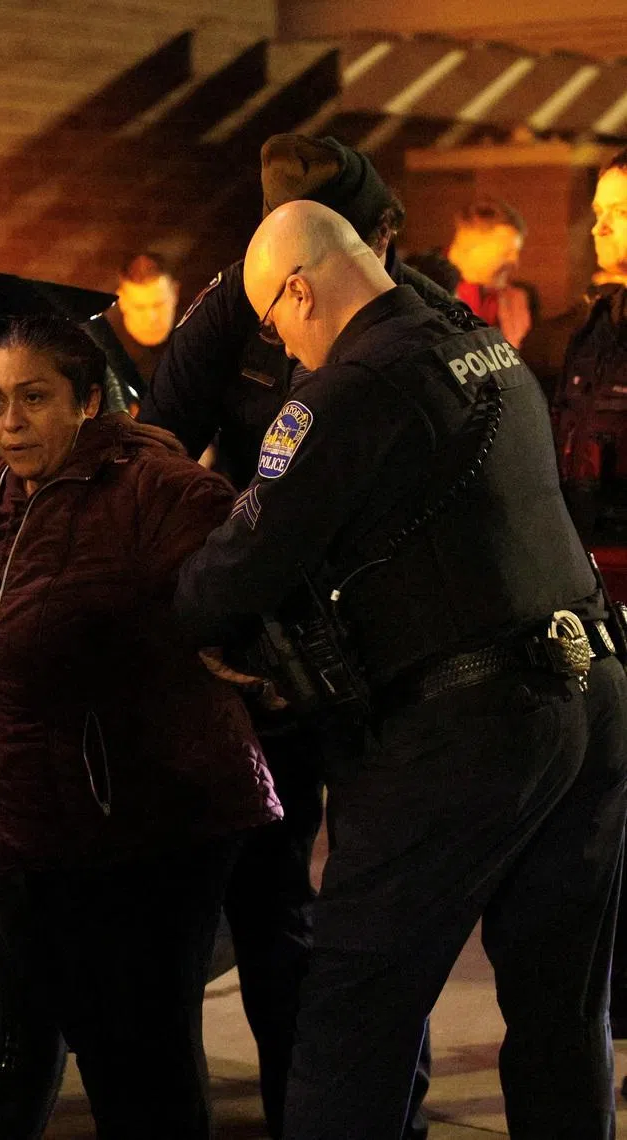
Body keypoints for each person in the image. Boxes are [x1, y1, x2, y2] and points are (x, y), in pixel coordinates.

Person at [175, 199, 627, 1139]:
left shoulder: (348, 392)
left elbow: (232, 576)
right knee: (560, 1017)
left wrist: (171, 599)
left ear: (299, 290)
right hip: (593, 696)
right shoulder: (483, 351)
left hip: (467, 733)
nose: (285, 351)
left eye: (274, 323)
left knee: (352, 1018)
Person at [140, 131, 454, 1139]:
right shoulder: (241, 307)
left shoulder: (420, 326)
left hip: (384, 658)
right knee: (277, 916)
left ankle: (384, 1112)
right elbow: (158, 438)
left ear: (379, 241)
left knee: (381, 916)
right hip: (269, 658)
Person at [0, 315, 281, 1139]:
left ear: (89, 400)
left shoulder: (150, 484)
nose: (11, 421)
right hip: (40, 817)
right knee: (93, 1044)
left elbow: (247, 585)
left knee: (148, 1054)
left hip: (156, 817)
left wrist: (238, 657)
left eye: (34, 399)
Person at [553, 148, 627, 547]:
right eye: (600, 212)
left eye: (621, 213)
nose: (599, 228)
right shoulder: (595, 322)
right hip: (589, 555)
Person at [446, 197, 533, 349]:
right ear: (472, 247)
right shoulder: (431, 302)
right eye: (507, 253)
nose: (515, 263)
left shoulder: (516, 301)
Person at [104, 251, 180, 394]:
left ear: (175, 293)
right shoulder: (101, 356)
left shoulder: (206, 339)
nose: (151, 318)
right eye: (139, 307)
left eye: (159, 305)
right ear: (122, 301)